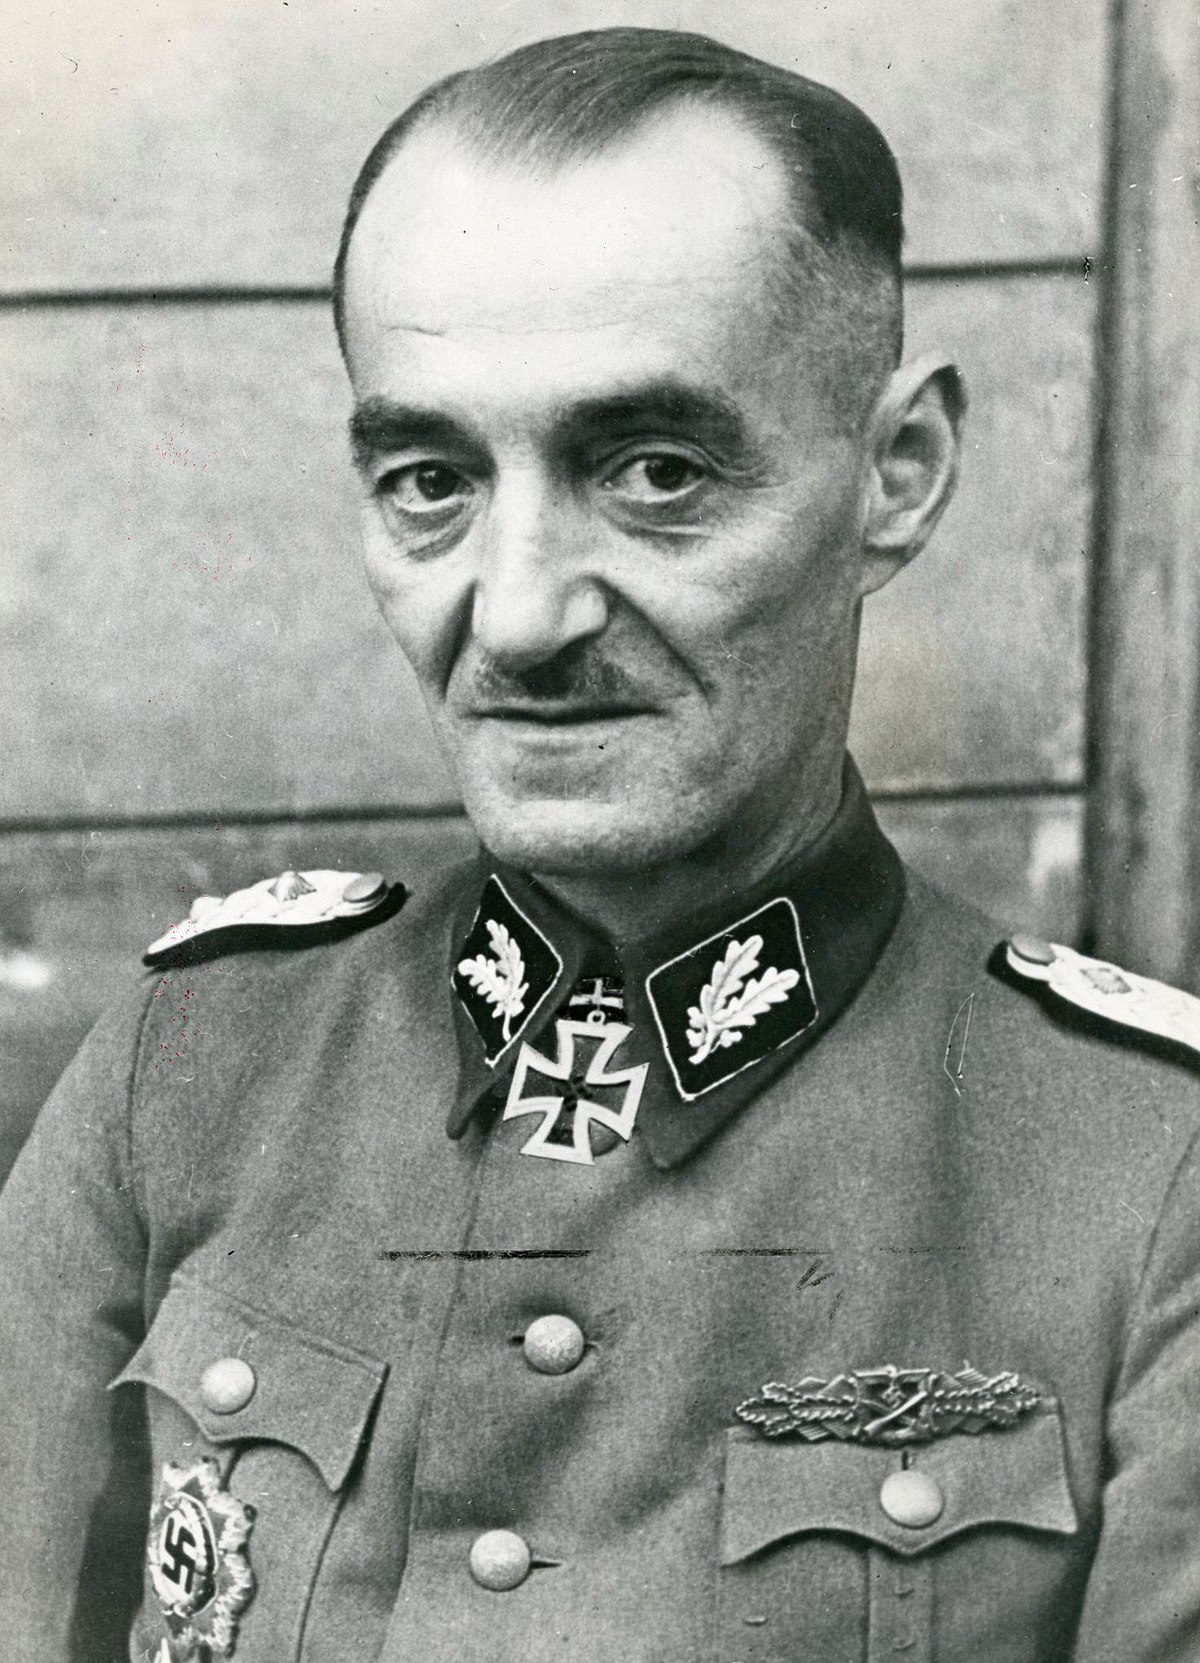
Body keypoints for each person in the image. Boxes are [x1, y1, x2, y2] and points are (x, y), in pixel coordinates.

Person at [2, 26, 1199, 1663]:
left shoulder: (1148, 1177)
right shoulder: (192, 1067)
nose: (517, 614)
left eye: (654, 473)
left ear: (898, 473)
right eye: (430, 480)